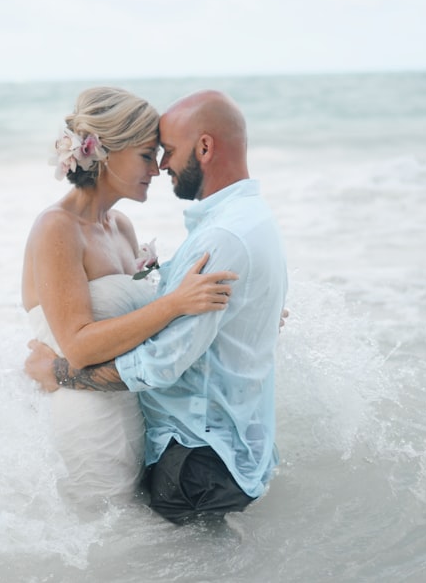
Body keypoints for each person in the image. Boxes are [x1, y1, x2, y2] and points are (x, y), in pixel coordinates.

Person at [25, 89, 288, 524]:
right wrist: (174, 303)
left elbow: (149, 328)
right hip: (87, 411)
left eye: (161, 153)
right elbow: (81, 346)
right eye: (148, 154)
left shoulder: (121, 227)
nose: (158, 167)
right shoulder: (57, 227)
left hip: (133, 410)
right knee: (103, 537)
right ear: (107, 154)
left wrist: (243, 315)